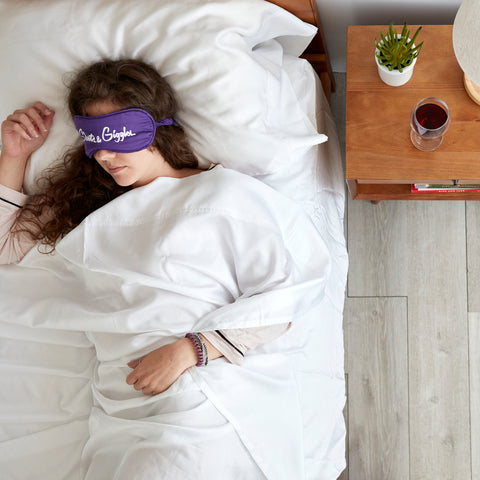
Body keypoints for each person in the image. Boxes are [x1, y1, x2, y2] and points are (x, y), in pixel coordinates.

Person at [0, 58, 330, 478]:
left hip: (201, 385)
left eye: (117, 136)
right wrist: (14, 155)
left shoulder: (223, 193)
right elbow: (6, 245)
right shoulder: (87, 209)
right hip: (123, 406)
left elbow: (287, 296)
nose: (103, 153)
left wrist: (189, 350)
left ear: (155, 125)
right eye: (93, 140)